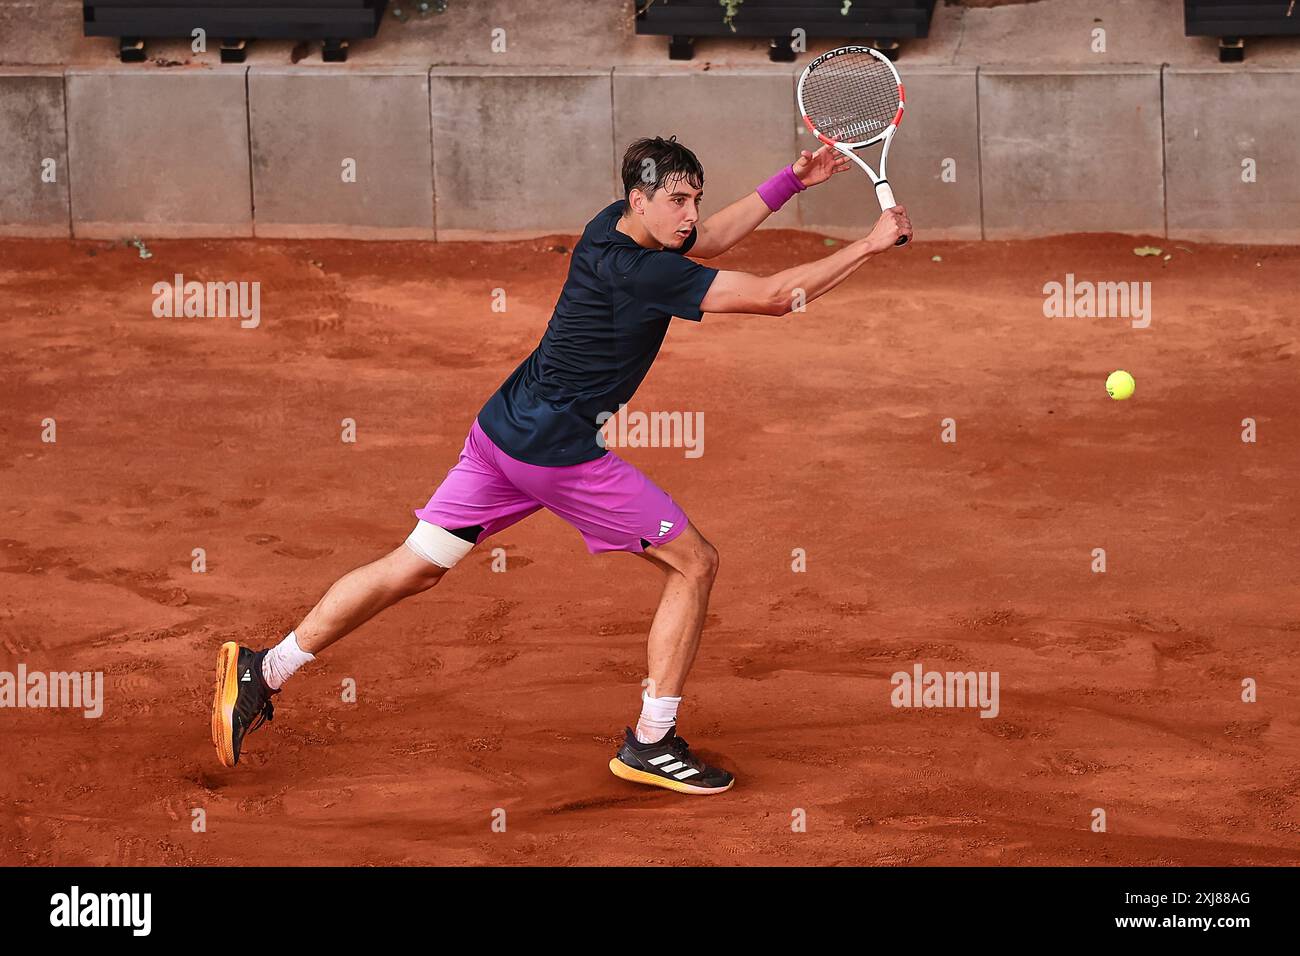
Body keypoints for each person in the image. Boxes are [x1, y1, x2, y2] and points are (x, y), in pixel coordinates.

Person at [211, 134, 912, 795]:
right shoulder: (643, 271)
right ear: (641, 200)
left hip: (502, 430)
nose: (690, 214)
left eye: (694, 198)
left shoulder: (614, 224)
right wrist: (870, 246)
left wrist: (793, 180)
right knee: (694, 563)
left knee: (416, 564)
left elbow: (713, 239)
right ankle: (652, 740)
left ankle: (264, 671)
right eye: (678, 201)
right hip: (556, 454)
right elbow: (770, 298)